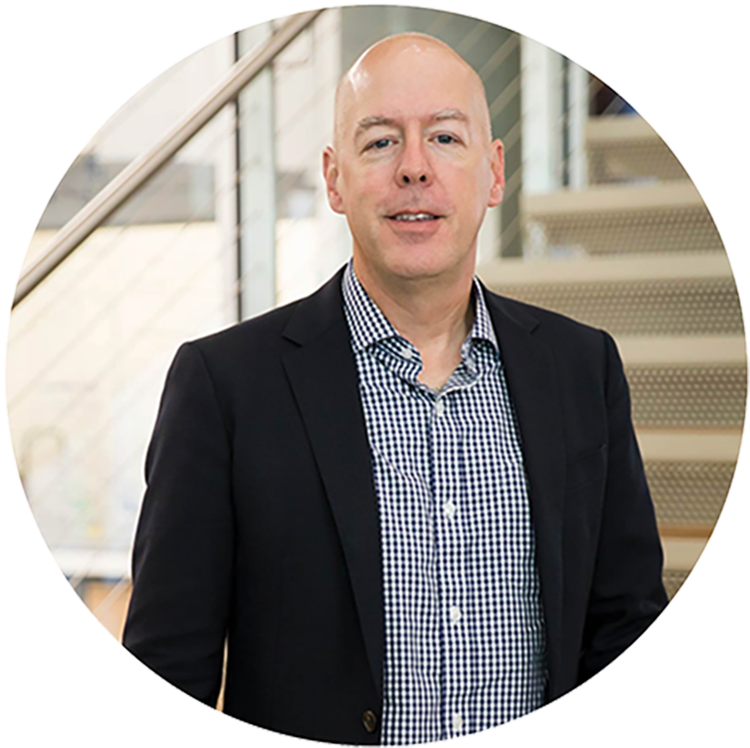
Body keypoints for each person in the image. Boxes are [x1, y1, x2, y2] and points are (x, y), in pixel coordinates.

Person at [122, 32, 668, 745]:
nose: (415, 168)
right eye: (379, 143)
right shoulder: (224, 387)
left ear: (494, 171)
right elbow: (165, 677)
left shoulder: (582, 368)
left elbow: (625, 627)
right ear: (334, 177)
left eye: (445, 137)